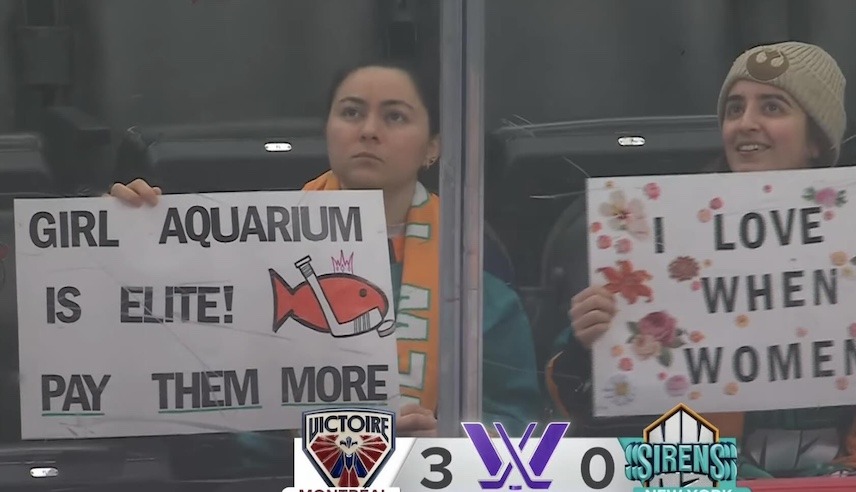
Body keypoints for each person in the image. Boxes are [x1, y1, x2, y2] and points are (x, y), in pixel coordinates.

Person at [545, 41, 856, 478]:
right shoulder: (657, 230)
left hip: (853, 478)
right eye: (734, 110)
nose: (745, 124)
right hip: (700, 477)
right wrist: (589, 344)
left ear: (816, 139)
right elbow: (583, 405)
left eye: (771, 107)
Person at [109, 61, 544, 438]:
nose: (369, 131)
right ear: (329, 130)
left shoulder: (470, 265)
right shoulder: (250, 247)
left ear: (433, 147)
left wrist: (450, 438)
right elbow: (184, 392)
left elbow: (523, 422)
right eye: (351, 112)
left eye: (395, 117)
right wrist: (123, 237)